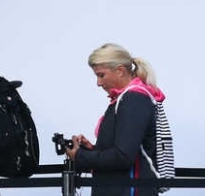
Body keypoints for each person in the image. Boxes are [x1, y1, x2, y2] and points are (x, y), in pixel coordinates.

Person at [65, 43, 166, 196]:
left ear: (120, 71)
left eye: (101, 75)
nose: (98, 83)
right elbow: (127, 151)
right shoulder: (128, 99)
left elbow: (123, 157)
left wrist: (80, 156)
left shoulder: (133, 99)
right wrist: (93, 150)